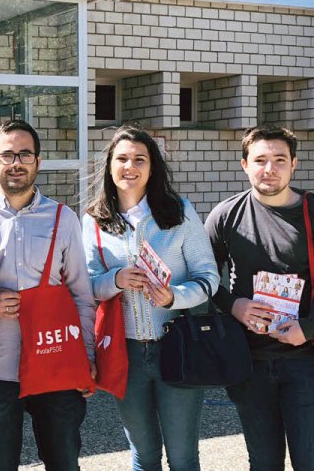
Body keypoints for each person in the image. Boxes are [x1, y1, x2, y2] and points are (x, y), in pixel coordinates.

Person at [205, 125, 314, 471]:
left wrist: (308, 328)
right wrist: (233, 306)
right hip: (247, 360)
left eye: (279, 160)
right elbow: (205, 278)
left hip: (306, 359)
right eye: (261, 160)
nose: (270, 169)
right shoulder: (225, 215)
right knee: (264, 462)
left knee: (312, 462)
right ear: (244, 165)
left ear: (294, 164)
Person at [82, 126, 220, 471]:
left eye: (139, 159)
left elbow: (209, 277)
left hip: (178, 345)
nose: (130, 167)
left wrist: (174, 296)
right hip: (125, 351)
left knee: (183, 456)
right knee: (143, 454)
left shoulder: (180, 212)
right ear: (109, 166)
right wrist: (115, 280)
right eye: (122, 159)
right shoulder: (94, 220)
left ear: (152, 167)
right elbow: (87, 285)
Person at [0, 119, 95, 471]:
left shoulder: (63, 218)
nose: (16, 162)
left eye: (25, 154)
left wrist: (86, 356)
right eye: (7, 155)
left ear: (37, 161)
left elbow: (82, 294)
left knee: (63, 463)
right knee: (0, 465)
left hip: (58, 365)